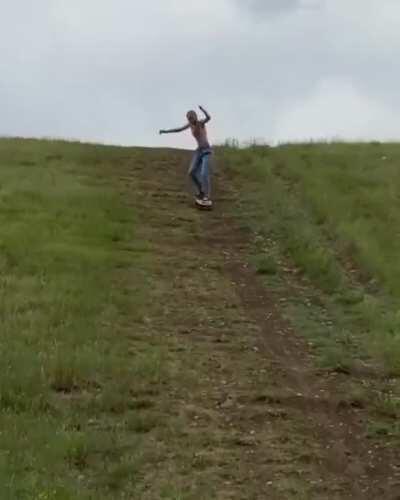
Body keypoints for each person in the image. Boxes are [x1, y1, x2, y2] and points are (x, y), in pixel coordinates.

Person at [159, 106, 213, 207]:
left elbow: (209, 118)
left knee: (204, 173)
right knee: (191, 172)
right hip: (199, 151)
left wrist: (203, 110)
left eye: (191, 117)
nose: (190, 119)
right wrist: (165, 131)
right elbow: (178, 130)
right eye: (188, 118)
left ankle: (206, 195)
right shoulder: (190, 125)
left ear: (195, 116)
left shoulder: (201, 123)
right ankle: (201, 190)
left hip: (206, 150)